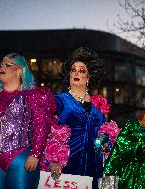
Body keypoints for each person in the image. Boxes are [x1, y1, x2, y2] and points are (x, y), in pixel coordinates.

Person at [0, 53, 56, 189]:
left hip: (21, 157)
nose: (3, 67)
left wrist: (35, 154)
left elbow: (41, 125)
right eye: (1, 64)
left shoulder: (33, 95)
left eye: (8, 65)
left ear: (20, 70)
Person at [49, 47, 108, 188]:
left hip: (95, 166)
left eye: (81, 70)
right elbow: (48, 131)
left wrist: (105, 145)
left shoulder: (98, 107)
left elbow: (101, 137)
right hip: (68, 164)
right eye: (73, 70)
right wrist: (53, 160)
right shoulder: (59, 100)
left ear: (88, 77)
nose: (76, 73)